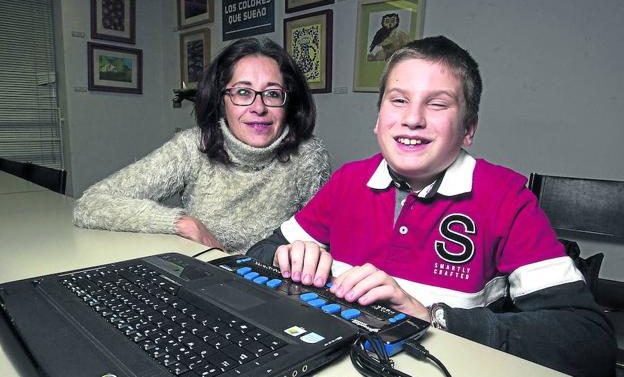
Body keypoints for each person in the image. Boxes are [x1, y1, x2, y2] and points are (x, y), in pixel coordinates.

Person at [247, 36, 616, 376]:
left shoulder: (505, 196)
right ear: (378, 120)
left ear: (468, 129)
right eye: (399, 100)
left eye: (437, 104)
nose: (412, 118)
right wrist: (287, 256)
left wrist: (431, 317)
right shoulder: (347, 181)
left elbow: (589, 342)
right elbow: (257, 254)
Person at [74, 37, 330, 254]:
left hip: (273, 290)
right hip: (204, 278)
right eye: (243, 92)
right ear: (222, 99)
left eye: (272, 93)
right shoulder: (193, 147)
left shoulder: (307, 156)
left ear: (288, 102)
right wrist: (180, 222)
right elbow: (91, 204)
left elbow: (326, 242)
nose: (259, 107)